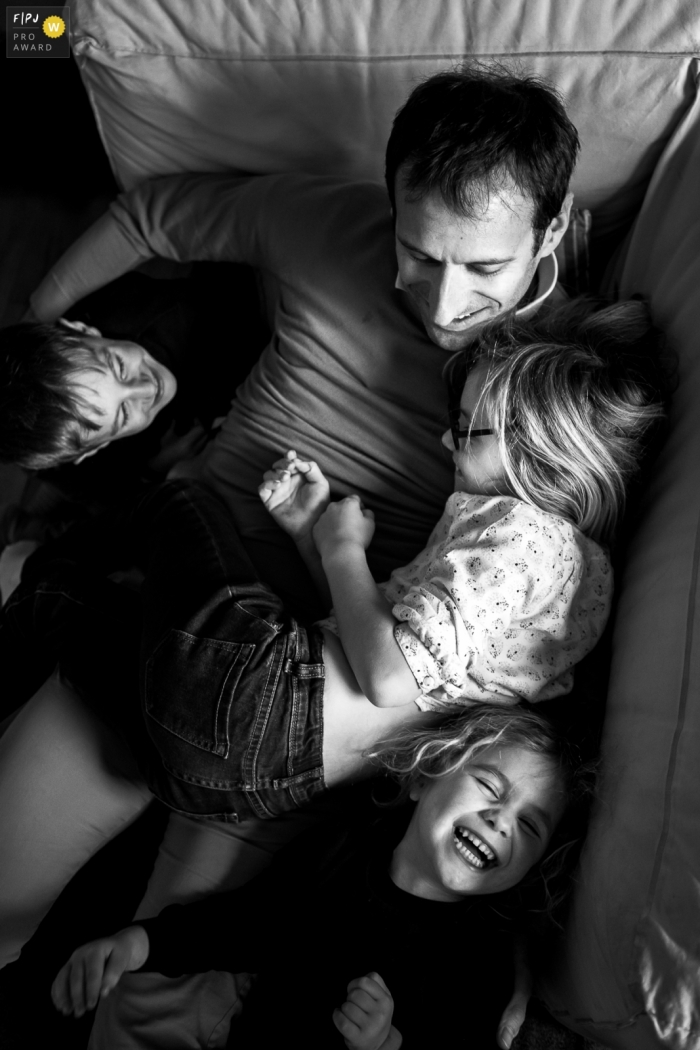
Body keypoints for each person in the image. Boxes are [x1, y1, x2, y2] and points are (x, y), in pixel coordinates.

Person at [0, 66, 584, 1049]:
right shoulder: (326, 223)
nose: (445, 302)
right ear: (391, 201)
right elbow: (154, 216)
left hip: (298, 702)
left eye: (484, 269)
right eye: (418, 253)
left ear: (553, 231)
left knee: (151, 1003)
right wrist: (34, 328)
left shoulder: (560, 376)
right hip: (153, 608)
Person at [51, 704, 594, 1049]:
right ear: (425, 778)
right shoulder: (345, 845)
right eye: (491, 788)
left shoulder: (481, 956)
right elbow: (249, 921)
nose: (502, 822)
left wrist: (388, 1043)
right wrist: (139, 943)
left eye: (529, 825)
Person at [258, 299, 665, 712]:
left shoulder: (524, 538)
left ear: (541, 456)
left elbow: (388, 677)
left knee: (191, 507)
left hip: (275, 694)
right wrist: (312, 536)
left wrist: (342, 548)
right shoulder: (541, 553)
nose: (447, 441)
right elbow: (364, 636)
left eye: (466, 427)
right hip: (291, 707)